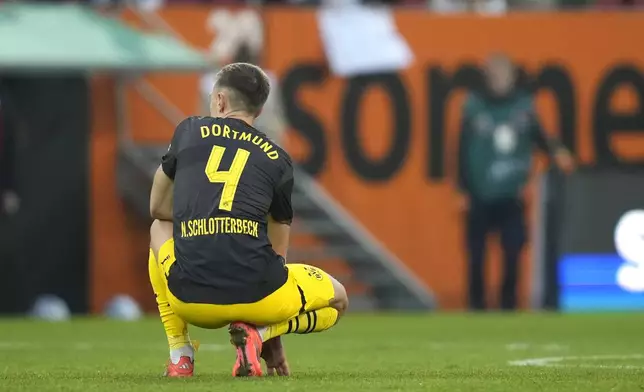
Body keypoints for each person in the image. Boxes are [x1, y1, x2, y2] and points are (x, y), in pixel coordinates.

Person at [148, 63, 349, 378]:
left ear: (220, 101)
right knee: (337, 301)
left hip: (190, 300)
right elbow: (277, 256)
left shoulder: (188, 131)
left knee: (158, 229)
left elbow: (157, 207)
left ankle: (180, 355)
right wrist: (273, 333)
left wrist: (197, 219)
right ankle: (260, 335)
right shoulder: (277, 159)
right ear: (261, 108)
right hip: (260, 297)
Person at [457, 53, 574, 311]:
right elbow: (460, 150)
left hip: (513, 193)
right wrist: (462, 189)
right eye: (494, 74)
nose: (499, 79)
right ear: (486, 77)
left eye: (503, 74)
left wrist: (556, 152)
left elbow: (540, 136)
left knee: (512, 252)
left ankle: (508, 305)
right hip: (480, 193)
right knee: (476, 255)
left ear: (512, 76)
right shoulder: (474, 105)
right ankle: (476, 306)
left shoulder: (523, 106)